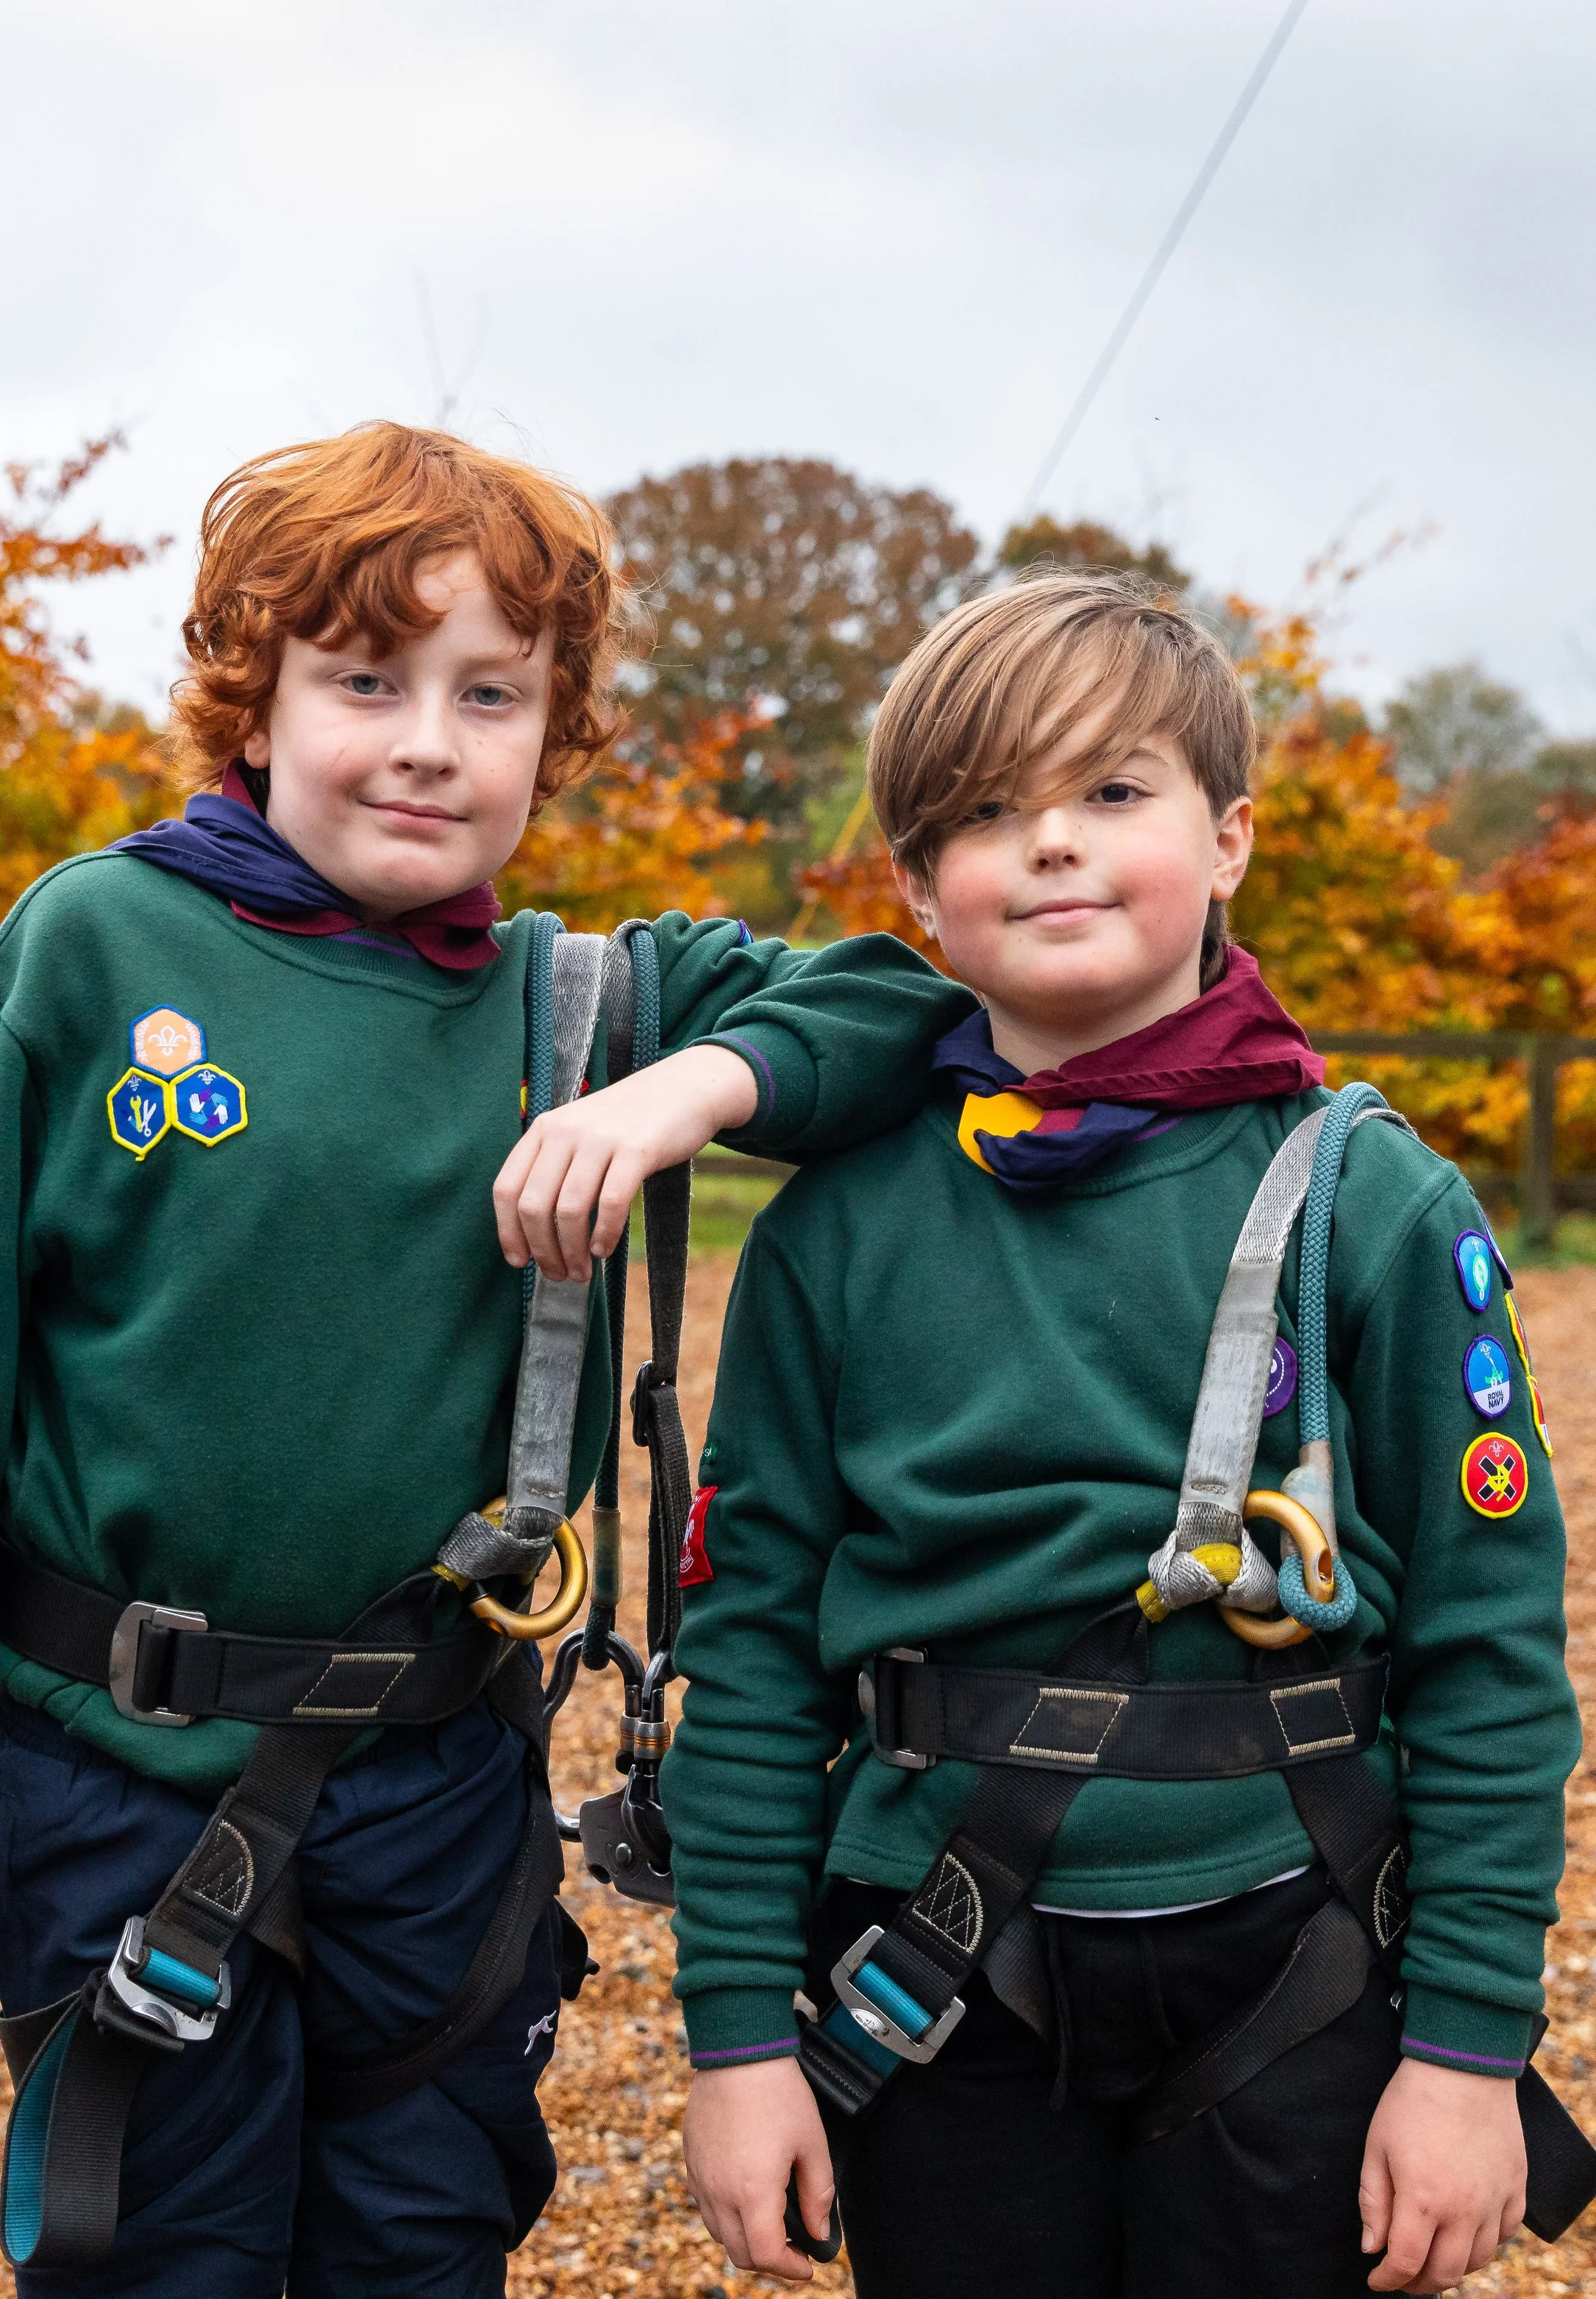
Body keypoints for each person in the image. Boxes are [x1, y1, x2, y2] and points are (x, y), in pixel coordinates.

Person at [0, 422, 973, 2298]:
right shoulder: (88, 949)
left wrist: (685, 1085)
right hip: (122, 1763)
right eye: (365, 680)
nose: (427, 738)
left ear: (550, 735)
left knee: (422, 2244)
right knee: (151, 2252)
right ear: (253, 701)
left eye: (490, 693)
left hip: (444, 1788)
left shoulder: (575, 1002)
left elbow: (905, 1002)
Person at [663, 573, 1582, 2298]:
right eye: (987, 814)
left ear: (1226, 836)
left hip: (1294, 1946)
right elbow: (754, 1657)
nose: (1052, 849)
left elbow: (1487, 1655)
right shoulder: (836, 1232)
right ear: (917, 894)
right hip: (931, 1968)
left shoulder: (1368, 1204)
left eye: (1110, 792)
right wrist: (735, 2039)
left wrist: (1462, 2052)